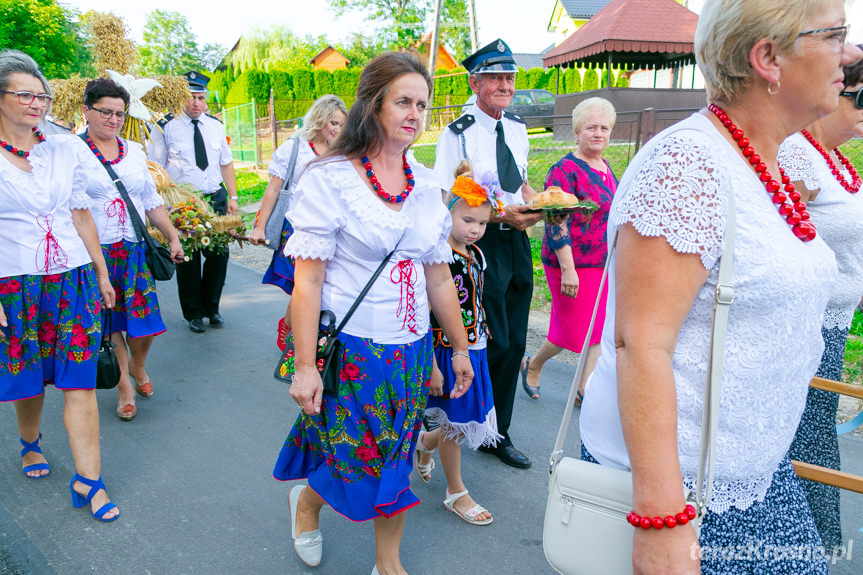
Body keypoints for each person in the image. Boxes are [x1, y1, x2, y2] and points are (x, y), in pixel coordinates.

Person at [576, 1, 860, 573]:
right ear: (768, 58)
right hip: (691, 492)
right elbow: (641, 345)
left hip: (755, 470)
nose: (851, 54)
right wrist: (661, 524)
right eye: (835, 35)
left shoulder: (765, 161)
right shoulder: (688, 164)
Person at [271, 53, 473, 575]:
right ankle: (307, 505)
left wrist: (457, 349)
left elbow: (437, 277)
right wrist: (306, 365)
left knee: (398, 458)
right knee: (353, 458)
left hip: (410, 351)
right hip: (354, 351)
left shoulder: (427, 187)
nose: (415, 113)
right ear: (373, 104)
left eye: (423, 105)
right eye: (403, 101)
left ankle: (388, 564)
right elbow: (307, 283)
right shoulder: (331, 179)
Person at [0, 49, 119, 521]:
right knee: (29, 380)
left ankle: (89, 480)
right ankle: (30, 442)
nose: (37, 103)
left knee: (79, 380)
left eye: (42, 95)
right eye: (24, 94)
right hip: (14, 284)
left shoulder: (64, 147)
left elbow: (80, 211)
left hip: (71, 279)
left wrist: (102, 272)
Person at [433, 38, 543, 469]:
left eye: (509, 77)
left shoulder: (516, 127)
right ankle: (471, 419)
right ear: (474, 81)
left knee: (515, 340)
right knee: (490, 339)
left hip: (517, 238)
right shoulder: (455, 134)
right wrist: (498, 217)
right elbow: (449, 198)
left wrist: (543, 205)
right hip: (479, 242)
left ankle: (499, 433)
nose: (504, 84)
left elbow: (522, 184)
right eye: (495, 77)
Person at [777, 48, 863, 552]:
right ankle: (808, 551)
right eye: (859, 97)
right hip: (808, 325)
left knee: (816, 441)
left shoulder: (836, 159)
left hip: (836, 321)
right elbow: (786, 244)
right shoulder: (797, 155)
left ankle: (814, 549)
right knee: (808, 444)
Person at [79, 77, 185, 421]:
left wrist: (171, 235)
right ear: (86, 111)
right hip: (97, 253)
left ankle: (139, 366)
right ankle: (124, 385)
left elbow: (150, 200)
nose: (113, 120)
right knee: (111, 320)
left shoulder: (135, 152)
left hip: (135, 248)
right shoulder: (73, 153)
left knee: (146, 320)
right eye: (105, 112)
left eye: (119, 114)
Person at [415, 163, 502, 527]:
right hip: (445, 350)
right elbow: (426, 310)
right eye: (467, 220)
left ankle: (424, 443)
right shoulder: (437, 257)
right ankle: (456, 492)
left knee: (461, 416)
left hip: (473, 347)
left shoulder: (476, 254)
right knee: (455, 420)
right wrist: (434, 364)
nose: (475, 229)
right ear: (447, 212)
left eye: (481, 223)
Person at [520, 97, 617, 402]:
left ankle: (583, 387)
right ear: (577, 132)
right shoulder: (564, 169)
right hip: (570, 261)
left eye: (604, 128)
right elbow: (555, 221)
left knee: (599, 329)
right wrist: (568, 270)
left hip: (602, 262)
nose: (598, 133)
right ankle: (533, 364)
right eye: (591, 127)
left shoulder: (605, 167)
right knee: (572, 332)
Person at [249, 95, 347, 348]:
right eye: (332, 123)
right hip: (296, 228)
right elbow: (273, 190)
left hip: (329, 227)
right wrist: (260, 226)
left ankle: (297, 328)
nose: (336, 129)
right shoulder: (295, 147)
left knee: (321, 284)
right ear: (319, 119)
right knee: (302, 285)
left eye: (340, 124)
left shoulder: (341, 150)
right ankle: (291, 330)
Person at [149, 71, 238, 333]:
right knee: (188, 259)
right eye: (191, 97)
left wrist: (232, 197)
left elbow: (226, 162)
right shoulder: (165, 126)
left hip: (214, 198)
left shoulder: (216, 125)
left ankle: (213, 308)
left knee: (218, 255)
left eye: (200, 98)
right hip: (183, 203)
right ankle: (194, 313)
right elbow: (157, 168)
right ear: (181, 98)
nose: (196, 103)